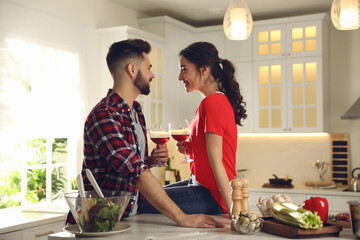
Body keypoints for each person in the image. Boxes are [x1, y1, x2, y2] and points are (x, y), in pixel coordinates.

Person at [65, 39, 225, 229]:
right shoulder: (104, 115)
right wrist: (182, 218)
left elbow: (127, 164)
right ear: (132, 70)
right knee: (209, 202)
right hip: (98, 221)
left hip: (129, 215)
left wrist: (149, 160)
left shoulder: (136, 111)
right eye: (148, 68)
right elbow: (135, 172)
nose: (152, 75)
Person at [139, 42, 247, 216]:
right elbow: (210, 151)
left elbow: (216, 161)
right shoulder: (210, 102)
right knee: (147, 195)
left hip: (211, 195)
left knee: (139, 201)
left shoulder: (212, 103)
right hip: (198, 184)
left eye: (184, 69)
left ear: (203, 70)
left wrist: (232, 212)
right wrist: (191, 148)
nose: (180, 77)